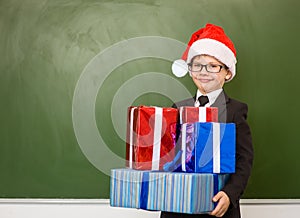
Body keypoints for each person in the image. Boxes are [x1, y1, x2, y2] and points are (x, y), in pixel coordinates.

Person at [161, 23, 254, 218]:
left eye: (213, 66)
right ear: (190, 69)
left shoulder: (235, 110)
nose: (204, 72)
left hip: (218, 207)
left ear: (227, 72)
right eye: (198, 65)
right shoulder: (176, 108)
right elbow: (167, 157)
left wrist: (230, 194)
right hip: (178, 208)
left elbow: (244, 160)